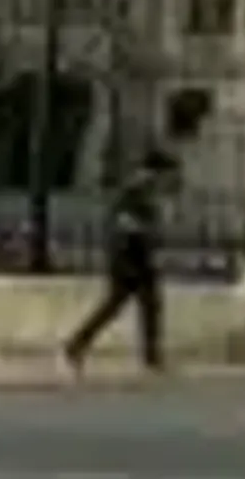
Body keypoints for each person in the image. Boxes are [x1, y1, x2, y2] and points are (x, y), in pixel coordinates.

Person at [63, 152, 176, 377]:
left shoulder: (147, 191)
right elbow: (123, 222)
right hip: (127, 258)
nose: (168, 180)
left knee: (150, 306)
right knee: (116, 306)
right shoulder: (133, 191)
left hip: (140, 257)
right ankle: (75, 346)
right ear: (156, 171)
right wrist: (150, 228)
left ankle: (151, 358)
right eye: (167, 174)